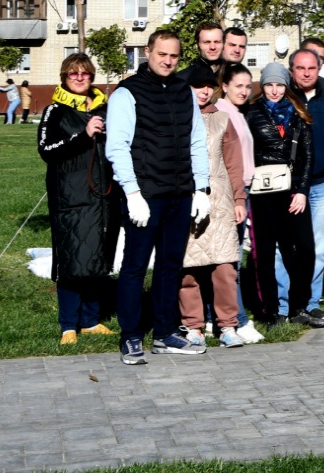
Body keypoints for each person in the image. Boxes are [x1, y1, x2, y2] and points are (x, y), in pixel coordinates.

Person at [106, 30, 212, 364]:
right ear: (147, 52)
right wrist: (133, 192)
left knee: (170, 265)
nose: (167, 61)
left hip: (180, 193)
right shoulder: (128, 93)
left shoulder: (184, 91)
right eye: (161, 54)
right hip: (145, 194)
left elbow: (196, 141)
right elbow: (117, 146)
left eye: (174, 56)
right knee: (135, 266)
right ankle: (131, 336)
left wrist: (201, 187)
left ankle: (165, 333)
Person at [37, 54, 120, 345]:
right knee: (72, 263)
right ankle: (68, 325)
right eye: (74, 74)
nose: (80, 78)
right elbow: (47, 149)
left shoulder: (106, 109)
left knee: (97, 259)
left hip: (103, 196)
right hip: (71, 198)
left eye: (85, 73)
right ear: (64, 77)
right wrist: (82, 136)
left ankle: (91, 320)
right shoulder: (54, 111)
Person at [244, 63, 322, 328]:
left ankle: (298, 305)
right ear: (262, 86)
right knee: (264, 252)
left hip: (291, 191)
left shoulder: (298, 113)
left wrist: (301, 191)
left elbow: (307, 156)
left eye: (279, 84)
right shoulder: (251, 114)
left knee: (304, 249)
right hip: (263, 193)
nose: (274, 90)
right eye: (269, 85)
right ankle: (270, 310)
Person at [178, 64, 248, 348]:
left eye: (209, 85)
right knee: (188, 268)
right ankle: (193, 325)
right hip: (187, 199)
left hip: (220, 201)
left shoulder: (222, 119)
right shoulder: (177, 117)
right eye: (198, 85)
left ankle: (227, 326)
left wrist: (239, 198)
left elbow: (233, 162)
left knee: (225, 268)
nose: (204, 91)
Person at [285, 48, 324, 324]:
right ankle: (284, 305)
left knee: (318, 246)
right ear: (292, 70)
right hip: (287, 188)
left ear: (319, 70)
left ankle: (311, 300)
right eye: (300, 68)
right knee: (286, 248)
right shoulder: (282, 98)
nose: (306, 73)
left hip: (318, 185)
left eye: (312, 68)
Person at [215, 63, 265, 343]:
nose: (245, 92)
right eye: (239, 86)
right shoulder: (223, 114)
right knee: (229, 260)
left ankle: (222, 317)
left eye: (248, 87)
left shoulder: (236, 112)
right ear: (225, 86)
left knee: (231, 259)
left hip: (242, 192)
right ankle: (237, 319)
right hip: (230, 195)